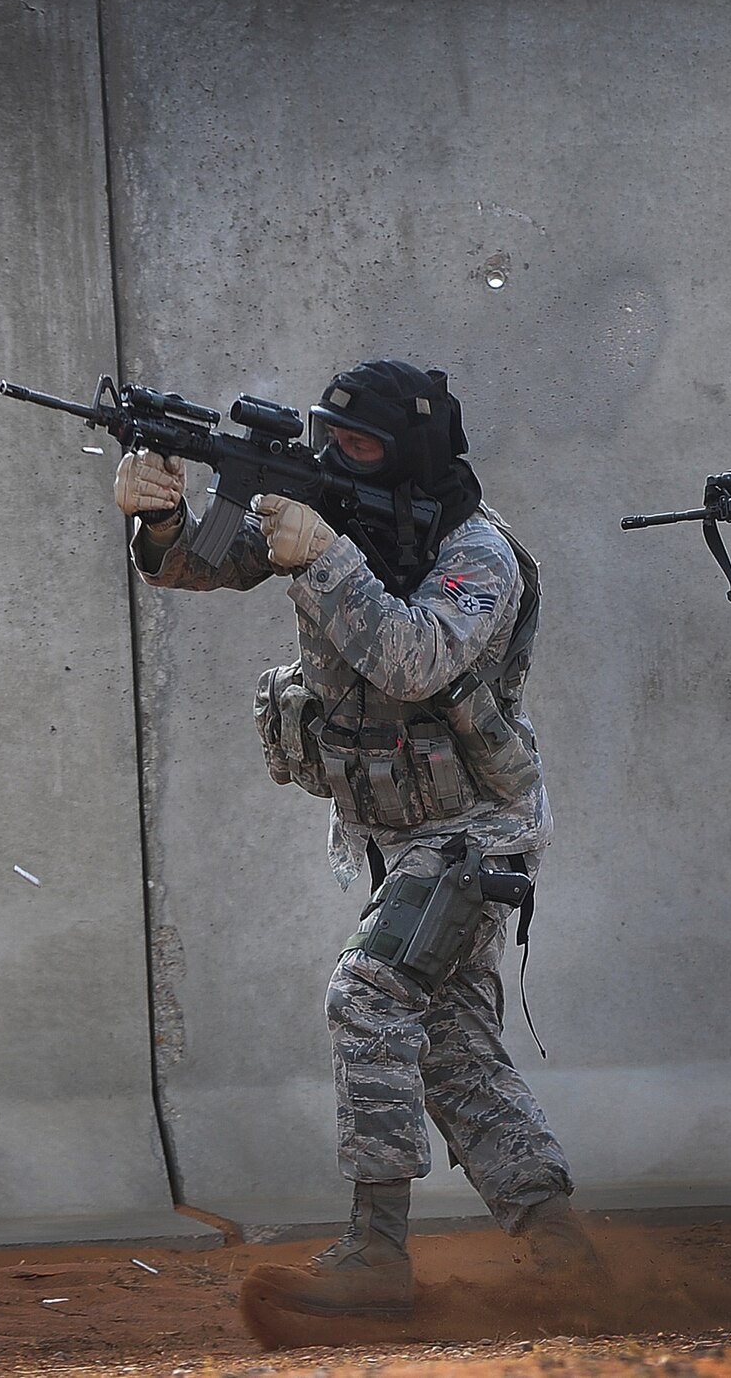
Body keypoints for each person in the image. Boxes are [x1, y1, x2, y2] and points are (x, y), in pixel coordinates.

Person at [114, 358, 592, 1319]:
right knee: (450, 1042)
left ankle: (377, 1252)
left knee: (368, 993)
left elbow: (416, 659)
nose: (337, 456)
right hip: (395, 835)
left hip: (475, 832)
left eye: (361, 444)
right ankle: (564, 1249)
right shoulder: (334, 509)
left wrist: (321, 555)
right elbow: (199, 565)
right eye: (328, 438)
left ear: (411, 452)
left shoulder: (480, 553)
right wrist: (159, 514)